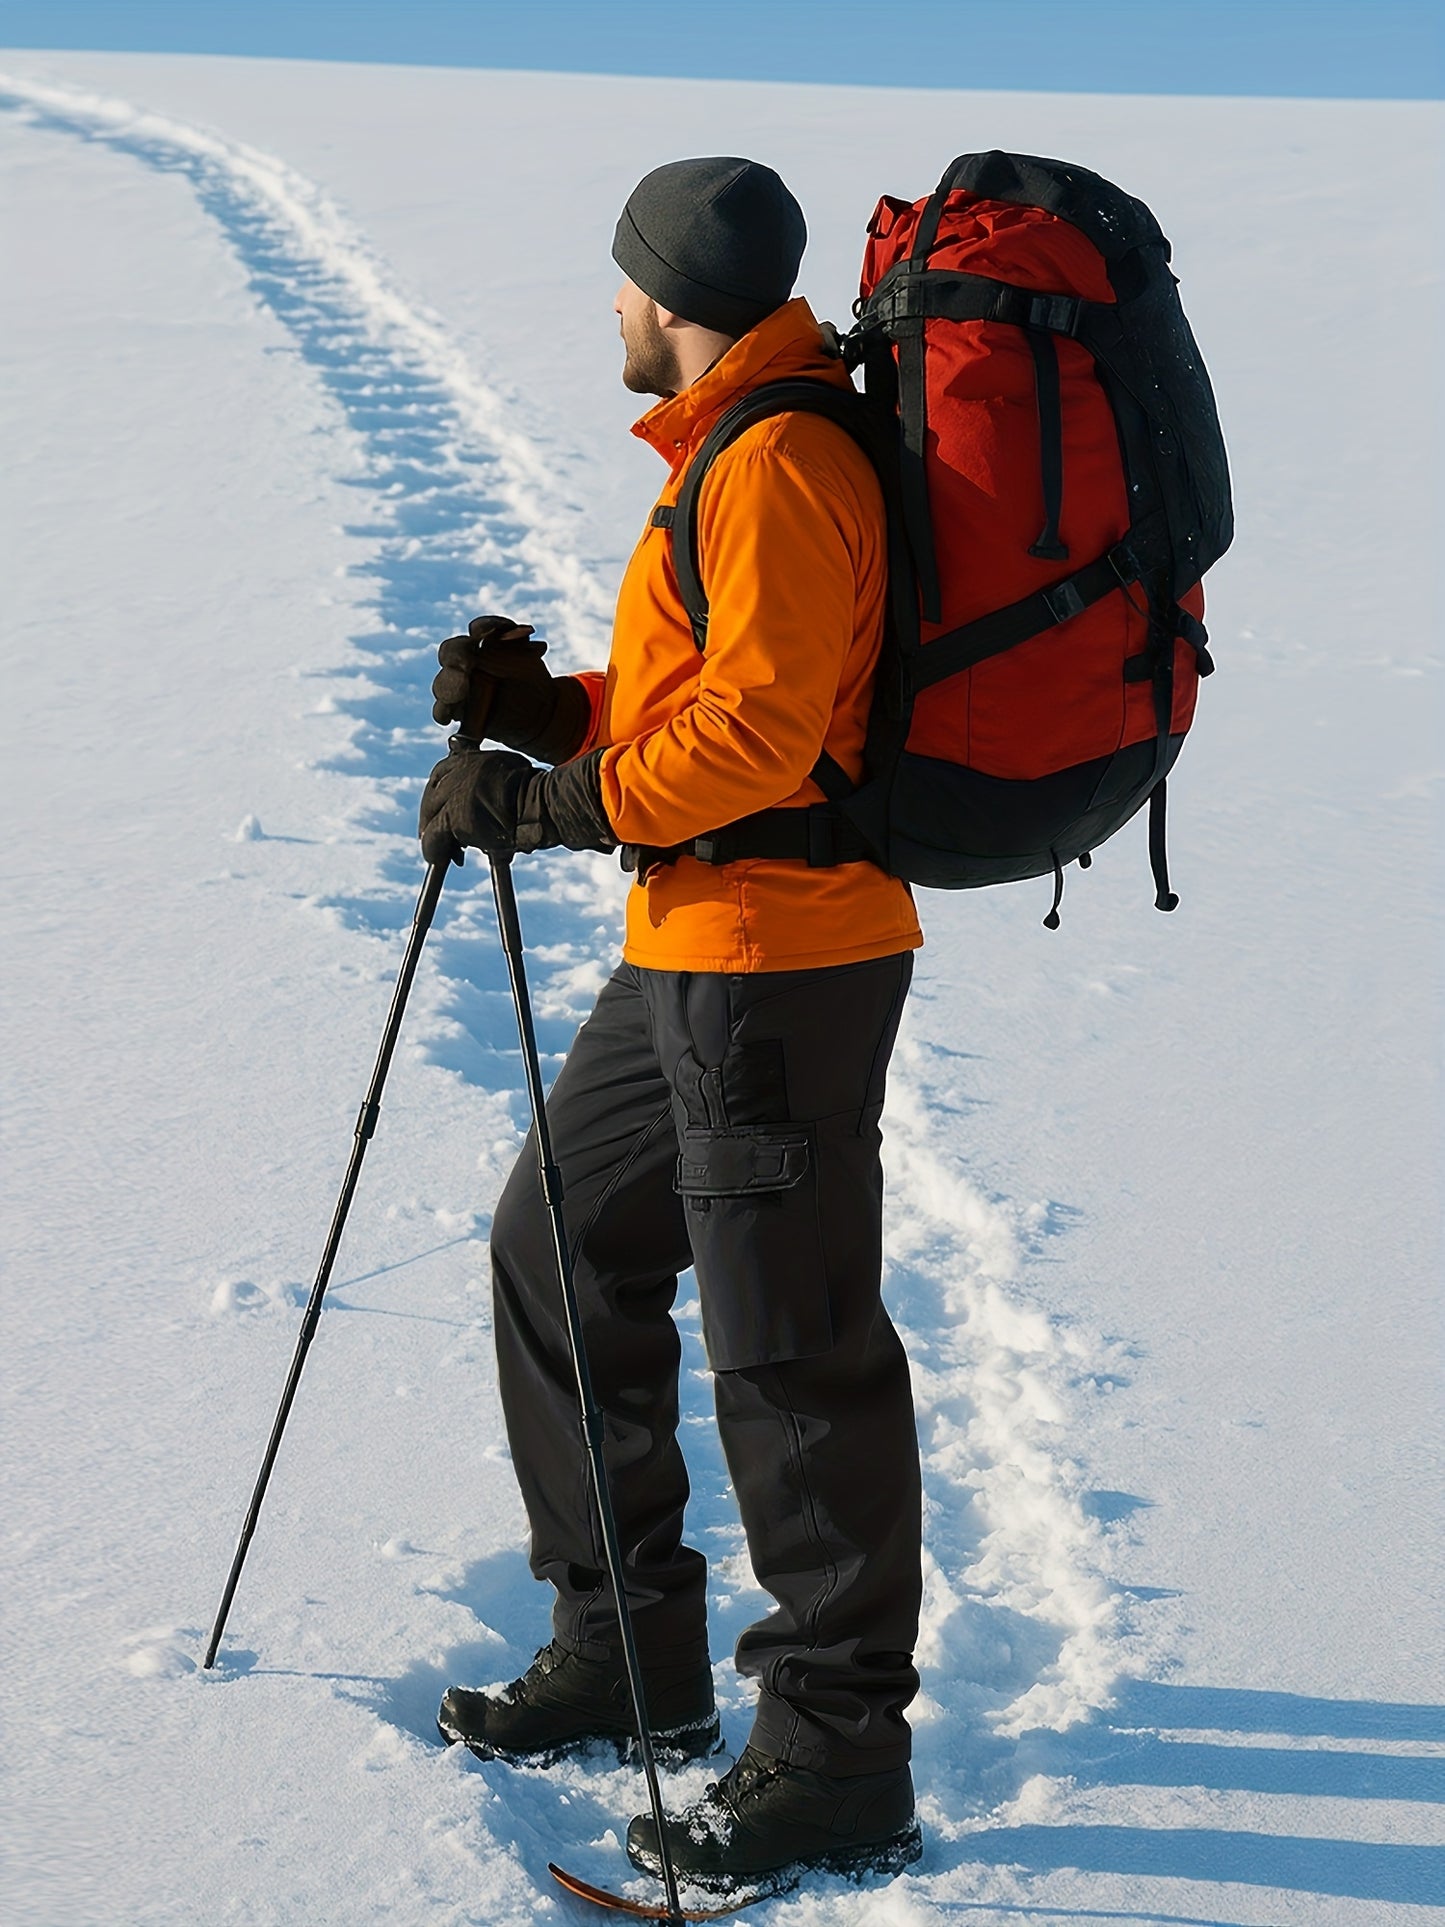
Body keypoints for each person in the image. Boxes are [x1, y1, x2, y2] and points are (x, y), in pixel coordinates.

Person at [418, 156, 925, 1896]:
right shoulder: (733, 443)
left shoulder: (780, 453)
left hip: (779, 959)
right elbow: (704, 695)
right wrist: (550, 707)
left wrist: (548, 804)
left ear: (665, 294)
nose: (611, 311)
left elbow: (766, 740)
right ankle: (627, 1657)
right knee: (556, 1243)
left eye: (619, 282)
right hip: (701, 945)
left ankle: (837, 1759)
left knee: (791, 1354)